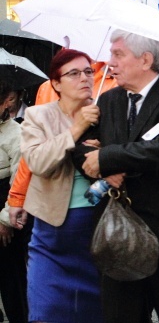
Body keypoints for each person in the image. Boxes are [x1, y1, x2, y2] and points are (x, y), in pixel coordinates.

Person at [72, 32, 159, 323]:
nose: (111, 61)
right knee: (122, 316)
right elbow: (81, 148)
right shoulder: (107, 100)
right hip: (115, 233)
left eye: (118, 54)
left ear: (146, 60)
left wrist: (108, 159)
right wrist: (91, 160)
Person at [17, 49, 101, 322]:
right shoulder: (38, 116)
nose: (84, 78)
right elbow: (38, 162)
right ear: (55, 83)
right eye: (74, 73)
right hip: (51, 234)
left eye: (88, 71)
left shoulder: (105, 112)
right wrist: (76, 130)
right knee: (46, 311)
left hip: (98, 231)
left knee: (94, 312)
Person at [0, 81, 27, 323]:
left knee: (11, 277)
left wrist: (5, 219)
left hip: (6, 201)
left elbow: (20, 181)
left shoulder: (15, 133)